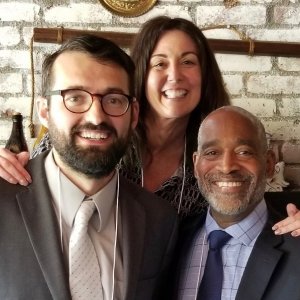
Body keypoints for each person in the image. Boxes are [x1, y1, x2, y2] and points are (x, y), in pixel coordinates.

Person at [0, 16, 299, 232]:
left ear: (205, 75)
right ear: (142, 73)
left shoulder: (215, 157)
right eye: (160, 63)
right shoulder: (100, 134)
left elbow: (252, 210)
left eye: (188, 62)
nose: (175, 76)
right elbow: (28, 186)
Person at [0, 34, 177, 299]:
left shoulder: (160, 221)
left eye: (114, 99)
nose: (96, 117)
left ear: (134, 114)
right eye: (75, 97)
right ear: (45, 110)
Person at [171, 106, 300, 300]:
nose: (226, 166)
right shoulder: (169, 241)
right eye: (212, 152)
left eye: (244, 152)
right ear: (196, 165)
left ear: (269, 164)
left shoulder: (296, 246)